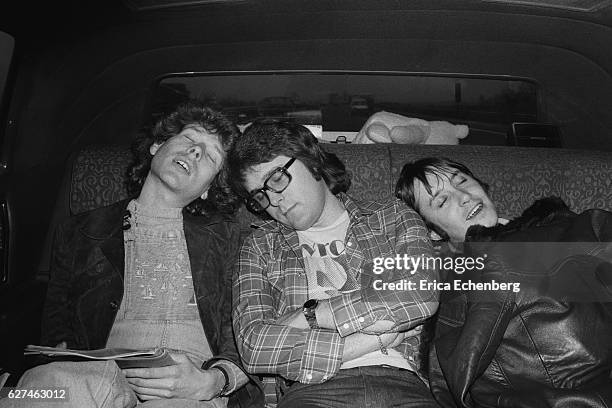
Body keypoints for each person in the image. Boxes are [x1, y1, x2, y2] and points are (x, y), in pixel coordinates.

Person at [0, 102, 263, 408]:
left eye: (210, 156)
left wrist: (216, 380)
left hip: (188, 390)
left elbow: (249, 323)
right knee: (44, 387)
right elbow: (56, 328)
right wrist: (55, 354)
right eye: (190, 140)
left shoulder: (232, 237)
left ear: (208, 188)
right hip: (96, 377)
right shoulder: (77, 231)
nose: (195, 152)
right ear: (157, 145)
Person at [227, 121, 439, 408]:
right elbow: (254, 347)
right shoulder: (260, 245)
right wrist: (373, 341)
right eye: (260, 196)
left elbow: (417, 296)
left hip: (402, 382)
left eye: (277, 178)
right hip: (312, 389)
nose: (273, 201)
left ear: (311, 160)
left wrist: (310, 316)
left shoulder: (393, 218)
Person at [395, 157, 612, 408]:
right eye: (442, 201)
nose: (464, 196)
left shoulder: (567, 225)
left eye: (462, 181)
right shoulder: (443, 281)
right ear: (432, 232)